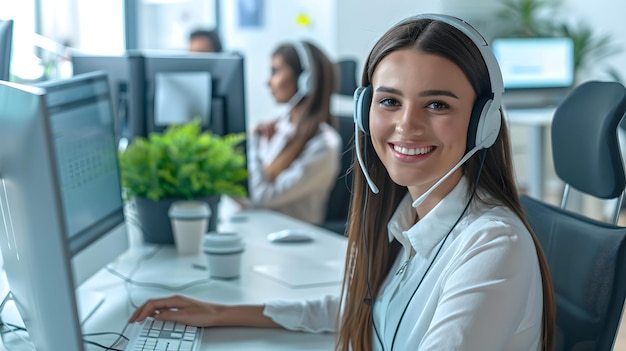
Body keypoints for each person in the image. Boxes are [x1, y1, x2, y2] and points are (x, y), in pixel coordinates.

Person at [129, 14, 556, 350]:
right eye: (389, 101)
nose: (406, 125)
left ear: (483, 123)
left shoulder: (493, 245)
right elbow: (369, 309)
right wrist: (225, 314)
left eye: (437, 105)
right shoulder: (407, 219)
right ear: (364, 111)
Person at [232, 40, 342, 225]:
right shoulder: (278, 129)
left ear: (304, 80)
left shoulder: (323, 144)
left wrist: (252, 144)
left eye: (275, 71)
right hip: (263, 230)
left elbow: (262, 197)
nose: (268, 82)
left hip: (296, 242)